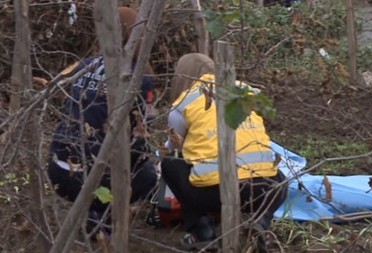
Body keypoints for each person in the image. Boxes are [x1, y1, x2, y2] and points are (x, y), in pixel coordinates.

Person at [161, 53, 288, 251]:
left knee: (170, 164)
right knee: (279, 177)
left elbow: (172, 147)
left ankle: (202, 232)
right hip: (263, 189)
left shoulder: (184, 102)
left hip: (215, 193)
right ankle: (261, 223)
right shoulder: (245, 91)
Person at [47, 7, 157, 234]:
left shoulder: (84, 65)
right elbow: (141, 137)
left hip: (57, 168)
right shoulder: (139, 78)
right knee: (147, 175)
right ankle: (101, 214)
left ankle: (92, 211)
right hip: (91, 175)